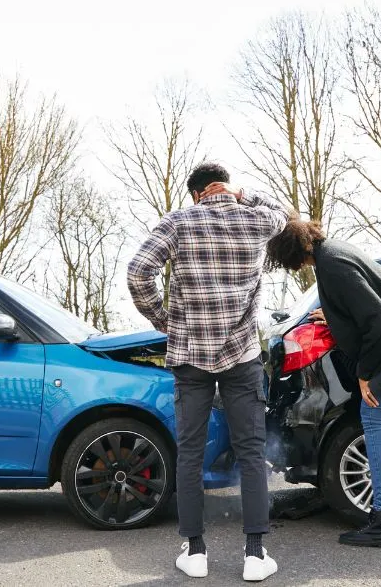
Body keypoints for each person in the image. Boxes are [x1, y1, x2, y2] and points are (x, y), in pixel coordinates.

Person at [127, 162, 287, 581]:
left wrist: (163, 318)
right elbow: (286, 215)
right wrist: (246, 195)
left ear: (195, 193)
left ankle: (195, 551)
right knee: (251, 453)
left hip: (190, 354)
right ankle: (255, 553)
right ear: (226, 188)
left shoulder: (178, 221)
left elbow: (138, 271)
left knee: (191, 453)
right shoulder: (255, 218)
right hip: (241, 354)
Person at [265, 218, 381, 548]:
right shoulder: (332, 252)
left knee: (374, 420)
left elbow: (378, 320)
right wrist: (334, 316)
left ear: (289, 252)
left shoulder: (332, 264)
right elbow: (363, 304)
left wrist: (366, 374)